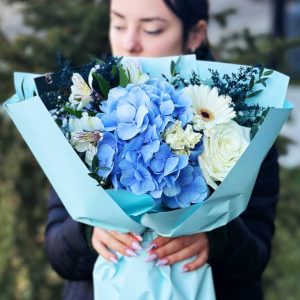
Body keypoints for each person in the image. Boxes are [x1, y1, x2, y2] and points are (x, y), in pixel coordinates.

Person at [45, 1, 279, 299]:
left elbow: (256, 257)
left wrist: (215, 238)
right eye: (118, 24)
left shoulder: (237, 124)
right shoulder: (82, 117)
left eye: (151, 29)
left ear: (195, 34)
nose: (129, 42)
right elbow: (56, 249)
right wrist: (90, 233)